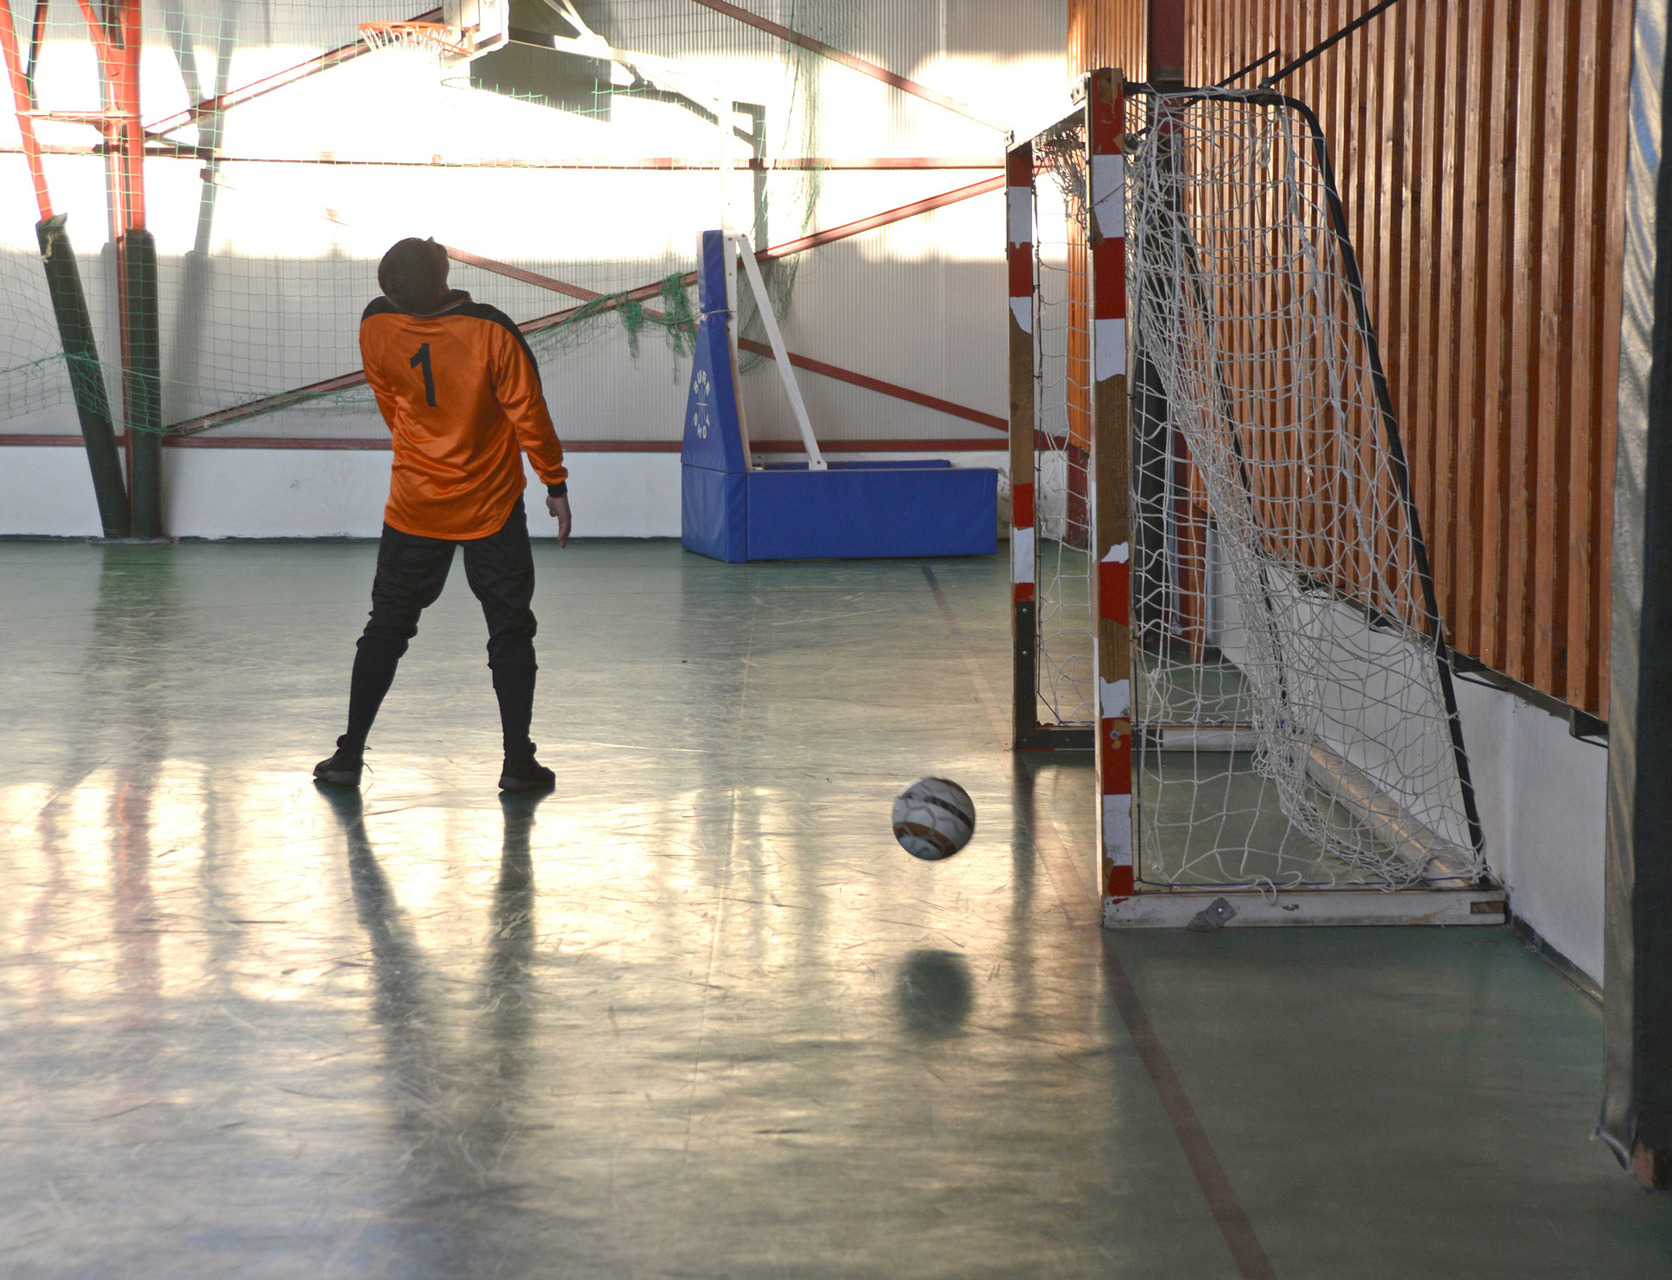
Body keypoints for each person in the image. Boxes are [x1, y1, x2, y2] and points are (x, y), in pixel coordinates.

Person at [314, 237, 572, 792]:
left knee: (386, 625)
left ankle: (348, 757)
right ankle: (517, 763)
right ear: (441, 278)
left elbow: (389, 399)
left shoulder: (376, 322)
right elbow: (529, 413)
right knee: (510, 630)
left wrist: (423, 447)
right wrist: (554, 482)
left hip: (414, 502)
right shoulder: (491, 330)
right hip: (491, 505)